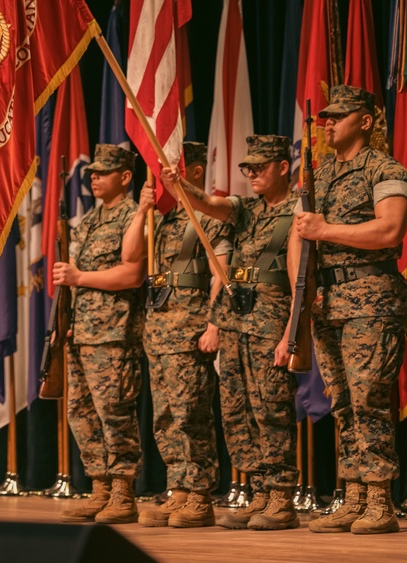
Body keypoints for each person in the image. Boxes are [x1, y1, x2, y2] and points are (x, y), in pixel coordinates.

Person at [160, 135, 301, 530]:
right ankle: (259, 492)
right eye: (247, 167)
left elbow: (299, 278)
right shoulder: (246, 209)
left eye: (259, 166)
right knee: (237, 413)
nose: (251, 173)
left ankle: (280, 497)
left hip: (270, 322)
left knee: (271, 409)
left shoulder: (299, 209)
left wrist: (290, 330)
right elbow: (210, 205)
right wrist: (181, 186)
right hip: (236, 324)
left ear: (283, 167)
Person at [291, 85, 407, 535]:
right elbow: (298, 238)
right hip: (327, 303)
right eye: (325, 116)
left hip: (372, 300)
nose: (327, 122)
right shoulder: (318, 176)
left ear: (365, 120)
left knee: (369, 401)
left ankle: (381, 500)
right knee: (342, 403)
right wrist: (301, 299)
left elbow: (390, 231)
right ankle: (354, 494)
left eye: (338, 115)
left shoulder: (385, 169)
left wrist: (326, 228)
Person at [125, 143, 232, 528]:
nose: (168, 177)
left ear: (197, 171)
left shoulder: (210, 219)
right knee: (165, 417)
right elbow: (130, 257)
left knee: (191, 415)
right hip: (158, 332)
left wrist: (214, 324)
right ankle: (179, 491)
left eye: (177, 170)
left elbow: (222, 274)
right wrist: (141, 211)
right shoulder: (164, 221)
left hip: (190, 330)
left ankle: (200, 495)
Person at [55, 145, 146, 524]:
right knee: (81, 411)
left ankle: (123, 492)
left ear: (125, 177)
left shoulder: (132, 217)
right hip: (82, 331)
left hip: (113, 333)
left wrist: (78, 277)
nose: (93, 177)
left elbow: (132, 274)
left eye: (103, 172)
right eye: (91, 172)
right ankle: (100, 488)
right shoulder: (90, 220)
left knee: (114, 411)